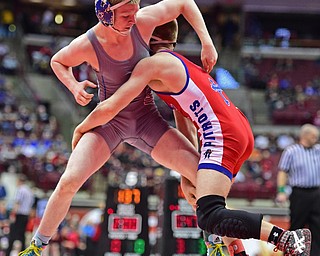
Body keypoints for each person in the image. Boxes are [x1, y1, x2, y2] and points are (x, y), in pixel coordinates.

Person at [72, 20, 312, 256]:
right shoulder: (179, 64)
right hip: (236, 129)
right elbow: (183, 116)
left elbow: (112, 106)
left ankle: (287, 239)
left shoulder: (152, 65)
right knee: (210, 206)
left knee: (210, 213)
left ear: (148, 38)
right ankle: (238, 252)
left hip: (222, 133)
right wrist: (190, 173)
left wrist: (81, 128)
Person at [19, 0, 217, 255]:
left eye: (134, 11)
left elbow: (183, 2)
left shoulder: (142, 21)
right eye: (125, 15)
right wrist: (73, 86)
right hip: (109, 122)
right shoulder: (88, 44)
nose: (133, 18)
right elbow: (57, 61)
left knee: (203, 176)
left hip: (147, 120)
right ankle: (37, 246)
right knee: (68, 181)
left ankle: (215, 243)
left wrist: (207, 42)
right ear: (105, 15)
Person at [276, 124, 320, 256]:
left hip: (317, 193)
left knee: (317, 226)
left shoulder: (318, 150)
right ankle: (292, 253)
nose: (316, 138)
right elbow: (283, 172)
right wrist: (282, 191)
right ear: (305, 136)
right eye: (313, 136)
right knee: (297, 225)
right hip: (299, 193)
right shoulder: (291, 151)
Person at [7, 175, 35, 255]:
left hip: (19, 215)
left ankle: (8, 252)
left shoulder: (21, 190)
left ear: (19, 181)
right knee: (22, 235)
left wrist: (13, 215)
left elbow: (17, 203)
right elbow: (31, 206)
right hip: (26, 216)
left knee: (12, 235)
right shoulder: (29, 191)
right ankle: (23, 252)